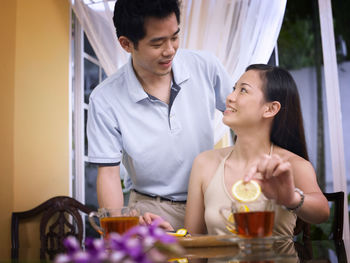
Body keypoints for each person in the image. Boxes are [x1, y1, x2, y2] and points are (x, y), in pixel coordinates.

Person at [87, 0, 234, 230]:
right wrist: (115, 234)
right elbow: (108, 175)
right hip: (151, 213)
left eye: (174, 37)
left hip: (212, 205)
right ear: (126, 44)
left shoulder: (206, 66)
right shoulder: (104, 99)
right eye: (157, 43)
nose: (170, 50)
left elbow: (247, 117)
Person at [184, 64, 330, 236]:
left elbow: (322, 212)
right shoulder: (204, 163)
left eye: (243, 90)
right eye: (234, 89)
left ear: (270, 109)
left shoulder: (291, 166)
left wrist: (291, 199)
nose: (230, 97)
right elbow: (192, 242)